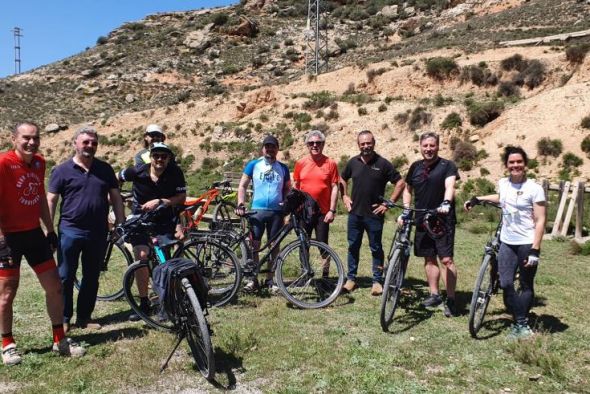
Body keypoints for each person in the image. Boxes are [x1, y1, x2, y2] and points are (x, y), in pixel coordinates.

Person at [0, 122, 85, 366]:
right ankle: (8, 344)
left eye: (35, 138)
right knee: (7, 294)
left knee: (55, 287)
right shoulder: (4, 163)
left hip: (34, 234)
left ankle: (60, 339)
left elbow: (38, 199)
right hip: (8, 236)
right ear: (13, 138)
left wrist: (49, 229)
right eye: (26, 138)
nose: (31, 142)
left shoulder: (39, 162)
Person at [47, 126, 125, 332]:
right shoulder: (61, 170)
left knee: (91, 276)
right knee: (65, 276)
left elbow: (116, 198)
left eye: (94, 143)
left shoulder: (105, 169)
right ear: (75, 143)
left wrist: (120, 222)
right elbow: (51, 200)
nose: (90, 146)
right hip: (70, 231)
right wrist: (48, 229)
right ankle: (64, 319)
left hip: (98, 232)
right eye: (86, 142)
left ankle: (84, 317)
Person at [465, 146, 546, 339]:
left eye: (519, 162)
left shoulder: (534, 189)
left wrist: (535, 249)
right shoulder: (503, 183)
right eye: (511, 162)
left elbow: (541, 220)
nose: (515, 165)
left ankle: (521, 324)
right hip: (507, 241)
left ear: (525, 164)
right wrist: (478, 198)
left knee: (525, 283)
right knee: (505, 282)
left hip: (527, 242)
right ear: (506, 165)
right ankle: (520, 319)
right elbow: (501, 199)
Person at [118, 142, 186, 321]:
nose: (160, 159)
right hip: (140, 219)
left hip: (164, 218)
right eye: (156, 156)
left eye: (164, 156)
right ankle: (144, 302)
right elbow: (116, 177)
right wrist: (115, 194)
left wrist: (161, 201)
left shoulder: (175, 172)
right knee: (142, 256)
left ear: (169, 158)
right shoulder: (137, 171)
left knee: (164, 261)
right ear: (151, 157)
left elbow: (181, 197)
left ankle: (167, 302)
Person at [340, 130, 405, 296]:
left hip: (374, 215)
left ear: (374, 143)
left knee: (376, 248)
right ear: (358, 145)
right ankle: (351, 279)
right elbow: (342, 179)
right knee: (353, 246)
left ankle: (377, 281)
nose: (366, 146)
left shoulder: (383, 163)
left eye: (368, 143)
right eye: (362, 143)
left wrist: (388, 203)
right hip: (355, 214)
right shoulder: (353, 162)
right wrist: (345, 196)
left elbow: (400, 183)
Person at [401, 131, 460, 317]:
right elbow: (407, 190)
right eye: (425, 145)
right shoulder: (415, 167)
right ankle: (434, 294)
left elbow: (450, 186)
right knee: (429, 257)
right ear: (420, 146)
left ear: (438, 146)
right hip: (421, 218)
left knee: (446, 259)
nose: (428, 149)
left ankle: (450, 298)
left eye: (432, 145)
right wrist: (406, 208)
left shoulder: (447, 166)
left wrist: (446, 203)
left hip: (442, 219)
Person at [236, 135, 291, 291]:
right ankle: (253, 280)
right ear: (262, 148)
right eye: (267, 146)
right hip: (257, 211)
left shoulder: (283, 168)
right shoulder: (253, 165)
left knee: (274, 246)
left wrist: (286, 205)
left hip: (276, 212)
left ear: (277, 149)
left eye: (273, 146)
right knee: (255, 245)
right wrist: (241, 203)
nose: (270, 149)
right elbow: (242, 186)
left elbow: (287, 189)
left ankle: (270, 280)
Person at [293, 130, 339, 244]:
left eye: (318, 143)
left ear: (323, 144)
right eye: (311, 143)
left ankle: (326, 263)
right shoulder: (300, 163)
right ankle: (304, 263)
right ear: (307, 145)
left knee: (323, 247)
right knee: (303, 246)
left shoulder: (331, 163)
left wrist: (332, 210)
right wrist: (294, 208)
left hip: (323, 213)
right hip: (304, 212)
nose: (314, 145)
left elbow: (335, 187)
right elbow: (296, 186)